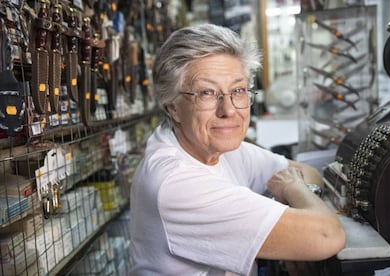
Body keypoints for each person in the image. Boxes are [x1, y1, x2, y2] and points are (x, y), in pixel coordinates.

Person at [129, 23, 346, 275]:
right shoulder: (176, 183)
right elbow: (327, 235)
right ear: (172, 106)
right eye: (207, 93)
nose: (229, 110)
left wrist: (291, 219)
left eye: (238, 90)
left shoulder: (219, 147)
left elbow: (307, 173)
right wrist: (293, 193)